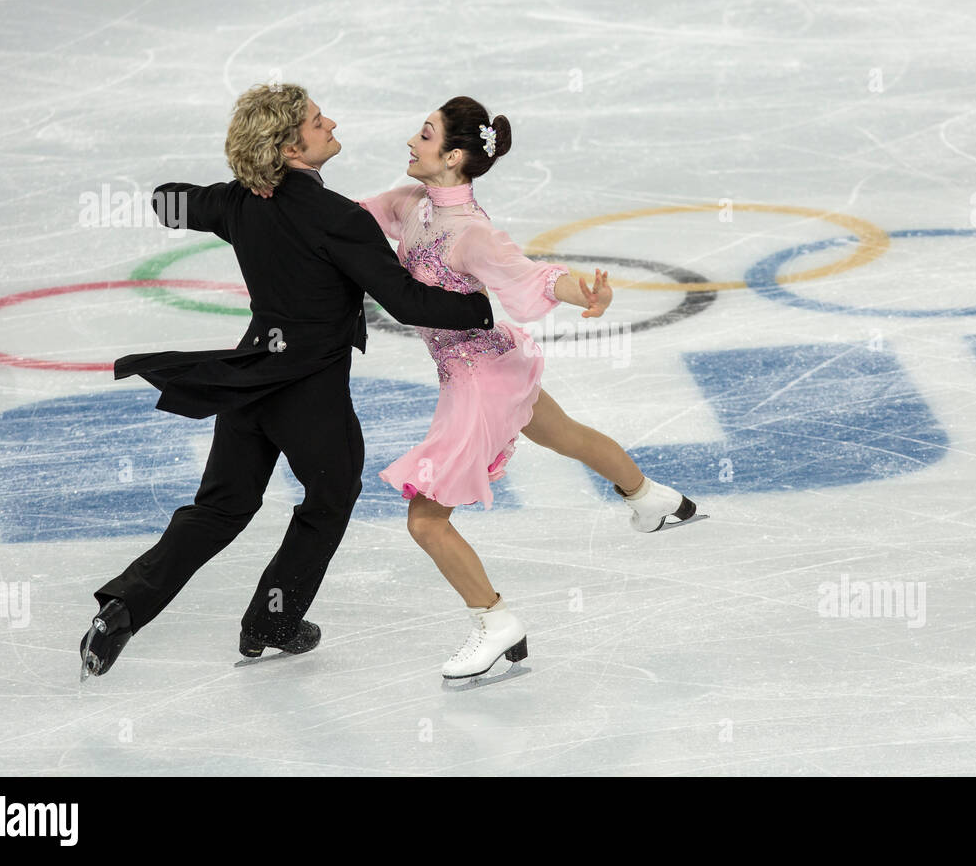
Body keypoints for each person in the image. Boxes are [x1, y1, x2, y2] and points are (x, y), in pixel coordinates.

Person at [79, 84, 495, 680]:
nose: (330, 122)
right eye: (315, 119)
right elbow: (405, 301)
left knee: (222, 508)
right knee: (330, 498)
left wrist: (238, 187)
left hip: (250, 378)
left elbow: (169, 202)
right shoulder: (338, 219)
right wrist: (479, 309)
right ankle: (272, 621)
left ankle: (124, 606)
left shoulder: (240, 202)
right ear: (287, 145)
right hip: (311, 390)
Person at [358, 96, 699, 683]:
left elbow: (530, 272)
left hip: (479, 382)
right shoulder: (410, 202)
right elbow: (347, 218)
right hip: (495, 361)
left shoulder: (470, 233)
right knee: (563, 434)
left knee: (425, 520)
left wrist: (586, 295)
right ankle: (650, 498)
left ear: (455, 155)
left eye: (425, 134)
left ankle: (496, 623)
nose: (411, 143)